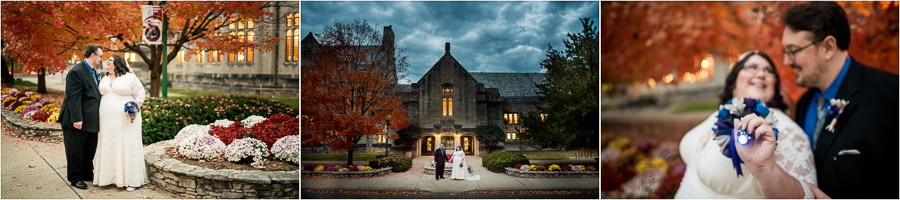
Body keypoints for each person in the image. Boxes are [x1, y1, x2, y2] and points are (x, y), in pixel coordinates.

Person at [781, 2, 899, 198]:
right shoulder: (804, 104)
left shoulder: (892, 95)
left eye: (793, 50)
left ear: (828, 47)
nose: (787, 61)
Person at [675, 51, 816, 198]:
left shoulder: (785, 129)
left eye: (768, 71)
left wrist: (764, 167)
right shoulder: (721, 112)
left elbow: (806, 195)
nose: (761, 74)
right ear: (734, 79)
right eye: (752, 67)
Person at [92, 55, 149, 191]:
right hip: (106, 121)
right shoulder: (104, 78)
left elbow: (140, 95)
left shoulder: (130, 78)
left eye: (110, 60)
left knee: (126, 145)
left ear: (118, 64)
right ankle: (108, 178)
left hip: (126, 119)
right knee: (109, 144)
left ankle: (131, 180)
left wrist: (134, 109)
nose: (107, 62)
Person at [60, 44, 103, 190]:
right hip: (76, 120)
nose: (101, 59)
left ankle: (85, 173)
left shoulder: (93, 72)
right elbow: (73, 97)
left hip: (90, 121)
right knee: (75, 149)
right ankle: (75, 177)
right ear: (93, 56)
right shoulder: (76, 72)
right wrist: (77, 118)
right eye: (100, 56)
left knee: (89, 148)